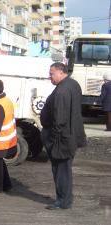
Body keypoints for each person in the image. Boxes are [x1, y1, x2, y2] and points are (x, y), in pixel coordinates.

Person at [40, 62, 86, 210]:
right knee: (64, 169)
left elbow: (59, 119)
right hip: (70, 135)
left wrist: (52, 140)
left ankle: (63, 201)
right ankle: (65, 199)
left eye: (52, 73)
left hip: (62, 138)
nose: (50, 77)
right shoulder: (73, 84)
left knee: (61, 171)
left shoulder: (62, 91)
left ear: (61, 72)